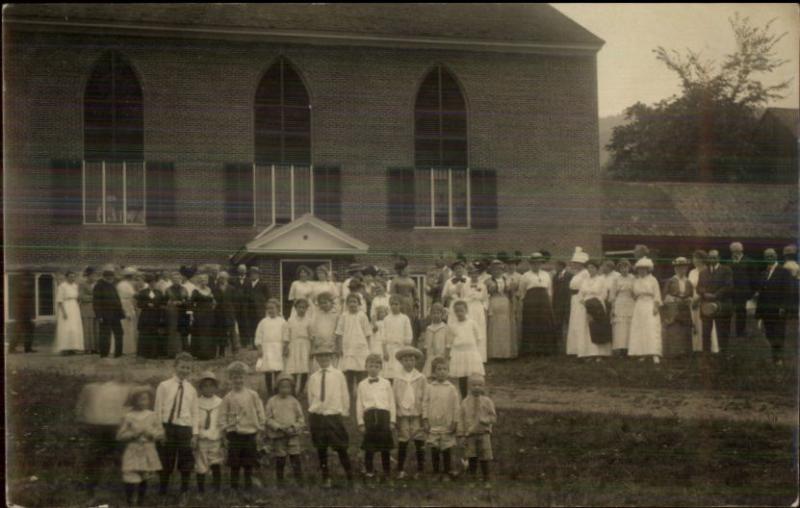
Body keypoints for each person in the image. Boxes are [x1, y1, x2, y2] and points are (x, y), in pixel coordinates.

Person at [75, 362, 134, 502]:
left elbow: (132, 408)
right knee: (93, 459)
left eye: (110, 371)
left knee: (124, 460)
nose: (107, 375)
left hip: (118, 428)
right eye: (102, 371)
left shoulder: (126, 388)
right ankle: (90, 491)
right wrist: (83, 423)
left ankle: (128, 493)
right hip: (96, 428)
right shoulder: (89, 388)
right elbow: (79, 408)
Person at [307, 343, 354, 489]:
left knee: (341, 447)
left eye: (326, 356)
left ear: (332, 357)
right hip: (318, 416)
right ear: (316, 359)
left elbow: (344, 393)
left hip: (333, 415)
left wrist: (344, 410)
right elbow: (310, 396)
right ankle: (325, 476)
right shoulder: (313, 377)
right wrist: (314, 410)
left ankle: (349, 476)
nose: (323, 359)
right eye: (320, 356)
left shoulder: (338, 375)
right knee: (321, 447)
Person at [154, 352, 198, 503]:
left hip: (185, 429)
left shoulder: (191, 389)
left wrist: (195, 434)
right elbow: (158, 409)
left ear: (191, 370)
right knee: (166, 461)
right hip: (168, 427)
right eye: (182, 367)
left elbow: (195, 413)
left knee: (186, 462)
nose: (184, 370)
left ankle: (184, 492)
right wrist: (159, 430)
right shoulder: (164, 386)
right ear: (175, 366)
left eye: (188, 368)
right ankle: (163, 492)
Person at [219, 361, 265, 500]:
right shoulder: (228, 397)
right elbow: (222, 416)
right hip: (234, 434)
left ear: (245, 378)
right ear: (230, 379)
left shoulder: (252, 395)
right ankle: (234, 487)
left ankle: (248, 486)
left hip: (250, 433)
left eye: (240, 377)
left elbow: (260, 411)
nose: (238, 380)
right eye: (234, 377)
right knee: (235, 463)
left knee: (248, 462)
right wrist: (225, 428)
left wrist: (261, 426)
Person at [117, 386, 164, 507]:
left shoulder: (153, 415)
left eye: (146, 399)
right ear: (134, 401)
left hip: (148, 449)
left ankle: (140, 502)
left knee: (144, 475)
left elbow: (161, 433)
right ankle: (130, 502)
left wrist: (152, 434)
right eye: (140, 399)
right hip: (133, 449)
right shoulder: (129, 416)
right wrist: (134, 434)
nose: (143, 402)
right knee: (130, 475)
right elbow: (120, 435)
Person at [356, 353, 396, 485]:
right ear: (366, 367)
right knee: (369, 448)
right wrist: (361, 423)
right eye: (370, 366)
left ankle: (387, 474)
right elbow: (359, 404)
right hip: (369, 417)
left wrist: (392, 420)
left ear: (381, 368)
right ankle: (370, 473)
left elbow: (391, 402)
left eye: (376, 366)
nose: (373, 368)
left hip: (384, 416)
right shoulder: (362, 384)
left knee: (385, 448)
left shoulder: (386, 383)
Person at [423, 357, 460, 482]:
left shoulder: (451, 388)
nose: (442, 372)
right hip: (433, 423)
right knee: (434, 447)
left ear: (448, 371)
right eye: (439, 369)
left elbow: (456, 407)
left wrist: (455, 422)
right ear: (433, 372)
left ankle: (447, 471)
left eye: (445, 369)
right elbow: (425, 404)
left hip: (447, 424)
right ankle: (436, 471)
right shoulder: (429, 387)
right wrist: (425, 419)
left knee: (446, 448)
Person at [393, 346, 427, 481]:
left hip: (417, 413)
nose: (408, 363)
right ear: (401, 362)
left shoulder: (421, 378)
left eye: (411, 360)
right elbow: (394, 397)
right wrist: (395, 414)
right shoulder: (397, 378)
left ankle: (420, 469)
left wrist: (424, 415)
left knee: (419, 440)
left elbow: (425, 397)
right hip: (403, 414)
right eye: (405, 360)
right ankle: (400, 469)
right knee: (403, 440)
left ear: (416, 361)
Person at [265, 373, 306, 485]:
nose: (285, 390)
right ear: (277, 387)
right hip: (279, 435)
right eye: (282, 387)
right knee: (280, 458)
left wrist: (294, 427)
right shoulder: (272, 401)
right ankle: (280, 482)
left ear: (291, 388)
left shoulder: (294, 401)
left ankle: (299, 482)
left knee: (295, 457)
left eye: (288, 387)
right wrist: (278, 427)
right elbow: (267, 418)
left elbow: (301, 419)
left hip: (292, 434)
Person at [458, 374, 497, 490]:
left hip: (483, 434)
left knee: (485, 457)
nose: (477, 387)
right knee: (472, 457)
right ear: (469, 386)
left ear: (483, 387)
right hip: (470, 435)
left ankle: (486, 479)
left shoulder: (487, 402)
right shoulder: (465, 403)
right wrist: (461, 434)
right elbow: (461, 419)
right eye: (474, 385)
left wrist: (486, 421)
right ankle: (472, 479)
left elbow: (494, 418)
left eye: (480, 385)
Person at [755, 248, 792, 365]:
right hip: (766, 310)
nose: (769, 257)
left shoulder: (784, 272)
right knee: (769, 333)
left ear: (776, 256)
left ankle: (778, 358)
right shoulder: (764, 273)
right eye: (766, 256)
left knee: (778, 333)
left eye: (771, 255)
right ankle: (774, 356)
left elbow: (788, 291)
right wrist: (759, 312)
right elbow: (761, 293)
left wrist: (783, 306)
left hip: (778, 309)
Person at [697, 249, 734, 358]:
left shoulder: (726, 270)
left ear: (718, 258)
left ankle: (723, 353)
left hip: (721, 304)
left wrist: (716, 295)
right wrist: (704, 293)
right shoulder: (703, 272)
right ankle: (706, 354)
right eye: (710, 257)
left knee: (722, 330)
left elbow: (728, 286)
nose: (712, 259)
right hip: (706, 305)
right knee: (706, 331)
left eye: (714, 257)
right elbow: (699, 287)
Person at [518, 253, 556, 357]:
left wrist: (549, 301)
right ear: (530, 264)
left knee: (544, 323)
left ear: (541, 264)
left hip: (544, 302)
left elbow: (550, 290)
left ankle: (545, 350)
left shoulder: (546, 274)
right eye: (534, 263)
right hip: (531, 302)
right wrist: (525, 302)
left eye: (538, 263)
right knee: (532, 324)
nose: (536, 265)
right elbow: (522, 291)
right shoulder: (525, 276)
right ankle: (531, 350)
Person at [336, 293, 372, 398]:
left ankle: (363, 395)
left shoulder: (362, 316)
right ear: (347, 304)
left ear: (359, 304)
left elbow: (368, 333)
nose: (352, 304)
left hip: (361, 348)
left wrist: (368, 348)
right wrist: (339, 347)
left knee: (361, 372)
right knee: (349, 372)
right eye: (350, 302)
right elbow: (339, 333)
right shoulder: (344, 316)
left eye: (355, 302)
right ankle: (350, 395)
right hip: (347, 348)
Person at [628, 257, 663, 364]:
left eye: (644, 269)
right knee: (640, 329)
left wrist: (656, 306)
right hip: (639, 306)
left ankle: (654, 354)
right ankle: (642, 353)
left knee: (651, 328)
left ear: (648, 269)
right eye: (639, 269)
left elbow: (657, 294)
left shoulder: (653, 279)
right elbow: (633, 294)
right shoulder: (636, 280)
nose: (641, 271)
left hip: (650, 304)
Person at [447, 300, 485, 398]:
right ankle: (464, 398)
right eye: (457, 311)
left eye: (461, 311)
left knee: (474, 375)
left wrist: (473, 348)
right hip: (459, 353)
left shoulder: (472, 323)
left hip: (470, 352)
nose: (459, 313)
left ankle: (477, 395)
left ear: (466, 311)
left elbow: (478, 337)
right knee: (462, 377)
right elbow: (450, 340)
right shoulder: (453, 326)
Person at [194, 371, 223, 494]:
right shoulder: (196, 402)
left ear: (216, 387)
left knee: (216, 462)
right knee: (201, 465)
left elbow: (222, 420)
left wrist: (222, 435)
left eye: (211, 385)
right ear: (200, 388)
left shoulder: (220, 402)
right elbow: (194, 419)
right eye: (205, 386)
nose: (208, 388)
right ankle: (201, 490)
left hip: (215, 438)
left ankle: (217, 489)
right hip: (202, 439)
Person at [578, 260, 612, 361]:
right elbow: (580, 294)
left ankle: (599, 354)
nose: (590, 269)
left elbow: (604, 294)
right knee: (587, 329)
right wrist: (585, 304)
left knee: (597, 328)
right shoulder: (584, 280)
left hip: (598, 307)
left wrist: (595, 305)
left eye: (592, 267)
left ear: (597, 269)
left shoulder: (601, 280)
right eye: (588, 267)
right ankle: (589, 353)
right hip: (585, 306)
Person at [661, 257, 694, 358]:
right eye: (679, 268)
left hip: (685, 309)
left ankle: (684, 352)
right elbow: (664, 296)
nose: (681, 270)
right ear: (675, 269)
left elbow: (691, 295)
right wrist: (674, 299)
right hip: (673, 308)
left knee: (685, 327)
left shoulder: (688, 282)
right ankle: (673, 352)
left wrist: (689, 299)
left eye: (683, 268)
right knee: (674, 328)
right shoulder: (671, 281)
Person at [688, 251, 719, 355]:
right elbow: (690, 287)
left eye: (696, 258)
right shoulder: (692, 272)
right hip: (693, 300)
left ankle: (709, 347)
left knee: (705, 323)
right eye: (693, 259)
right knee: (695, 322)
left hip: (704, 299)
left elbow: (708, 288)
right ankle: (697, 347)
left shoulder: (707, 271)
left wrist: (699, 298)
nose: (694, 261)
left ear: (702, 259)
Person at [255, 298, 287, 396]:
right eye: (268, 309)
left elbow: (286, 335)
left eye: (273, 308)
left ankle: (277, 390)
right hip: (267, 348)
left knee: (278, 370)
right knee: (268, 371)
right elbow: (258, 335)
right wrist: (259, 347)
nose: (270, 311)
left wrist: (285, 346)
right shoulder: (263, 322)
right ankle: (269, 391)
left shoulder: (282, 321)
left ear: (278, 309)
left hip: (278, 348)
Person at [94, 267, 126, 358]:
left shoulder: (112, 285)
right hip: (105, 315)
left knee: (119, 333)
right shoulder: (99, 286)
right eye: (108, 276)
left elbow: (117, 299)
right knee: (105, 335)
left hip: (116, 314)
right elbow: (96, 302)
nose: (111, 278)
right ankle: (104, 354)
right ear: (104, 277)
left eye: (112, 276)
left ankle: (118, 353)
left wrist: (121, 310)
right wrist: (99, 315)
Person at [485, 260, 514, 360]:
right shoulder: (488, 281)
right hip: (493, 302)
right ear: (491, 271)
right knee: (494, 326)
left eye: (499, 269)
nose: (497, 271)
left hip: (505, 303)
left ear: (502, 270)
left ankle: (505, 353)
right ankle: (494, 353)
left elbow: (511, 293)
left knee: (504, 326)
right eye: (494, 270)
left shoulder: (508, 280)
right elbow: (486, 293)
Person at [380, 295, 414, 380]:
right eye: (392, 304)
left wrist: (405, 351)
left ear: (401, 305)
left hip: (400, 349)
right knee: (389, 375)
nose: (394, 306)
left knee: (400, 373)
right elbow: (383, 337)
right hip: (389, 349)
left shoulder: (404, 318)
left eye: (396, 304)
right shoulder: (386, 319)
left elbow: (408, 335)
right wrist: (385, 351)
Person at [284, 298, 313, 395]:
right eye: (299, 307)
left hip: (305, 345)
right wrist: (286, 347)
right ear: (295, 308)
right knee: (294, 368)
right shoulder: (290, 320)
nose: (302, 309)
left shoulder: (309, 321)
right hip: (294, 344)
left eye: (304, 308)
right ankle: (293, 390)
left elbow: (311, 336)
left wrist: (312, 349)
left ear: (307, 309)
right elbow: (287, 335)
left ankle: (300, 390)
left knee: (304, 368)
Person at [728, 242, 757, 338]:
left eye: (737, 251)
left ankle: (740, 331)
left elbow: (753, 278)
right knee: (729, 311)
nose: (735, 253)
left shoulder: (749, 261)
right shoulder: (729, 262)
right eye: (733, 251)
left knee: (741, 311)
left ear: (741, 250)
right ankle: (726, 332)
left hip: (743, 291)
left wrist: (753, 291)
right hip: (731, 291)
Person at [566, 248, 591, 356]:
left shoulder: (585, 273)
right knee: (575, 322)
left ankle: (583, 350)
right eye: (574, 263)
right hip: (574, 300)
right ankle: (575, 349)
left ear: (582, 264)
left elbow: (586, 287)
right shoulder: (577, 274)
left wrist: (582, 299)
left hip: (581, 300)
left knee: (581, 323)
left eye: (576, 263)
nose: (574, 265)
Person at [136, 273, 166, 359]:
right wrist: (146, 304)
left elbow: (162, 304)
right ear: (148, 283)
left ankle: (154, 353)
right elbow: (139, 304)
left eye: (154, 282)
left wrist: (160, 310)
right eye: (150, 282)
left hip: (156, 315)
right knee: (145, 333)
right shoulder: (143, 292)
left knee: (154, 334)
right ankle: (144, 353)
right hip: (146, 316)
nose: (152, 283)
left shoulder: (159, 292)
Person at [55, 270, 85, 354]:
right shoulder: (62, 286)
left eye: (73, 276)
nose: (72, 278)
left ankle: (73, 347)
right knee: (66, 328)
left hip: (74, 307)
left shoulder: (75, 286)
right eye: (70, 276)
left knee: (74, 328)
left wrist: (79, 301)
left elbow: (77, 297)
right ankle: (64, 348)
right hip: (66, 307)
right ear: (66, 277)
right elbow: (59, 300)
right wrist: (63, 312)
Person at [240, 266, 271, 349]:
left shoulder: (263, 284)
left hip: (259, 309)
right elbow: (243, 295)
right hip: (249, 309)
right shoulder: (247, 284)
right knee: (251, 326)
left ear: (258, 275)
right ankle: (254, 344)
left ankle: (261, 343)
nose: (253, 276)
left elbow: (268, 297)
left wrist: (266, 307)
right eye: (251, 274)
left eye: (255, 274)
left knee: (260, 326)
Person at [464, 263, 489, 362]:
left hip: (479, 309)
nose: (474, 275)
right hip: (469, 309)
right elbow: (463, 298)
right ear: (469, 274)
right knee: (469, 330)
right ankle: (470, 357)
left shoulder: (482, 286)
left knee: (480, 331)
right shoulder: (465, 286)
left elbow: (486, 299)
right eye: (472, 273)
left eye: (476, 273)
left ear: (478, 274)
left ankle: (480, 357)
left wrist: (484, 309)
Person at [610, 260, 635, 356]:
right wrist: (613, 307)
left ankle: (629, 348)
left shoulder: (633, 278)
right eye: (622, 268)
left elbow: (635, 291)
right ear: (619, 269)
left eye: (626, 267)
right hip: (619, 302)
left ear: (629, 268)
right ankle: (621, 349)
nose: (624, 270)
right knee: (620, 326)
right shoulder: (616, 279)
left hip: (630, 302)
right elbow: (612, 294)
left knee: (629, 325)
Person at [189, 274, 217, 361]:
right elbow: (190, 304)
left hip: (209, 316)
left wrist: (213, 306)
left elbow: (213, 301)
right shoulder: (195, 291)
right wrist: (191, 315)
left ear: (207, 281)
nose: (203, 282)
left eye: (205, 280)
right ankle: (200, 354)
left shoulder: (209, 290)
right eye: (201, 280)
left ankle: (209, 354)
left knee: (209, 334)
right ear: (199, 281)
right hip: (199, 316)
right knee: (201, 334)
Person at [310, 292, 340, 371]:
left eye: (325, 302)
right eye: (321, 303)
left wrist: (336, 345)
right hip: (320, 344)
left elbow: (338, 331)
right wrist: (314, 345)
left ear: (331, 302)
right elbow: (314, 330)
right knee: (318, 367)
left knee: (332, 367)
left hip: (331, 344)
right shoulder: (316, 315)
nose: (323, 305)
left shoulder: (336, 315)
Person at [213, 271, 240, 357]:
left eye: (224, 278)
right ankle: (222, 352)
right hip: (219, 314)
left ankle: (235, 351)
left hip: (229, 313)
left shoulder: (232, 288)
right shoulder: (215, 289)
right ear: (218, 279)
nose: (222, 279)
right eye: (221, 278)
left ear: (227, 278)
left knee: (232, 332)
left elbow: (236, 302)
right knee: (221, 332)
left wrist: (234, 312)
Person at [9, 270, 37, 353]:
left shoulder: (28, 289)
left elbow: (30, 299)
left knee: (30, 328)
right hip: (20, 312)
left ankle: (28, 348)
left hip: (26, 312)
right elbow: (21, 297)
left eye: (28, 280)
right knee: (18, 329)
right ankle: (11, 348)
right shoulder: (19, 289)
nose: (27, 282)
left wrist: (31, 313)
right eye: (25, 280)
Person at [164, 271, 190, 358]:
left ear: (181, 280)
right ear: (171, 280)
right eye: (174, 279)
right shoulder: (168, 290)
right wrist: (171, 303)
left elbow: (188, 301)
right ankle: (173, 353)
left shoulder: (184, 289)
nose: (176, 280)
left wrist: (182, 302)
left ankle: (184, 352)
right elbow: (164, 302)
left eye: (178, 279)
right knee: (173, 331)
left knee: (183, 331)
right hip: (172, 313)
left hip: (183, 312)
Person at [421, 303, 450, 377]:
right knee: (429, 374)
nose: (436, 315)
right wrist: (426, 354)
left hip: (441, 355)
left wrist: (446, 356)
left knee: (440, 373)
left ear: (442, 314)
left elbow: (448, 343)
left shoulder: (445, 327)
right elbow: (426, 344)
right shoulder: (429, 328)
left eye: (438, 313)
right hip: (431, 355)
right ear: (430, 314)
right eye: (434, 313)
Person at [551, 260, 572, 352]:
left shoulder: (569, 275)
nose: (555, 268)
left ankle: (569, 344)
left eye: (556, 266)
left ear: (561, 266)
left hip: (567, 304)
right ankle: (559, 345)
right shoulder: (555, 276)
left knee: (568, 324)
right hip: (558, 305)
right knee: (558, 324)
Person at [118, 267, 139, 356]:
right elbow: (124, 298)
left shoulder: (127, 284)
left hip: (129, 305)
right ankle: (125, 349)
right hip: (125, 306)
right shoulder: (123, 285)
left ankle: (129, 348)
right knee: (126, 327)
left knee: (130, 328)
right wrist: (126, 311)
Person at [79, 267, 100, 354]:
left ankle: (96, 348)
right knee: (88, 330)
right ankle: (88, 348)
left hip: (97, 309)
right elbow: (82, 297)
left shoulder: (97, 284)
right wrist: (94, 297)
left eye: (95, 275)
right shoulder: (82, 285)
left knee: (96, 329)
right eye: (92, 275)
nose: (93, 277)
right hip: (86, 309)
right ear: (87, 276)